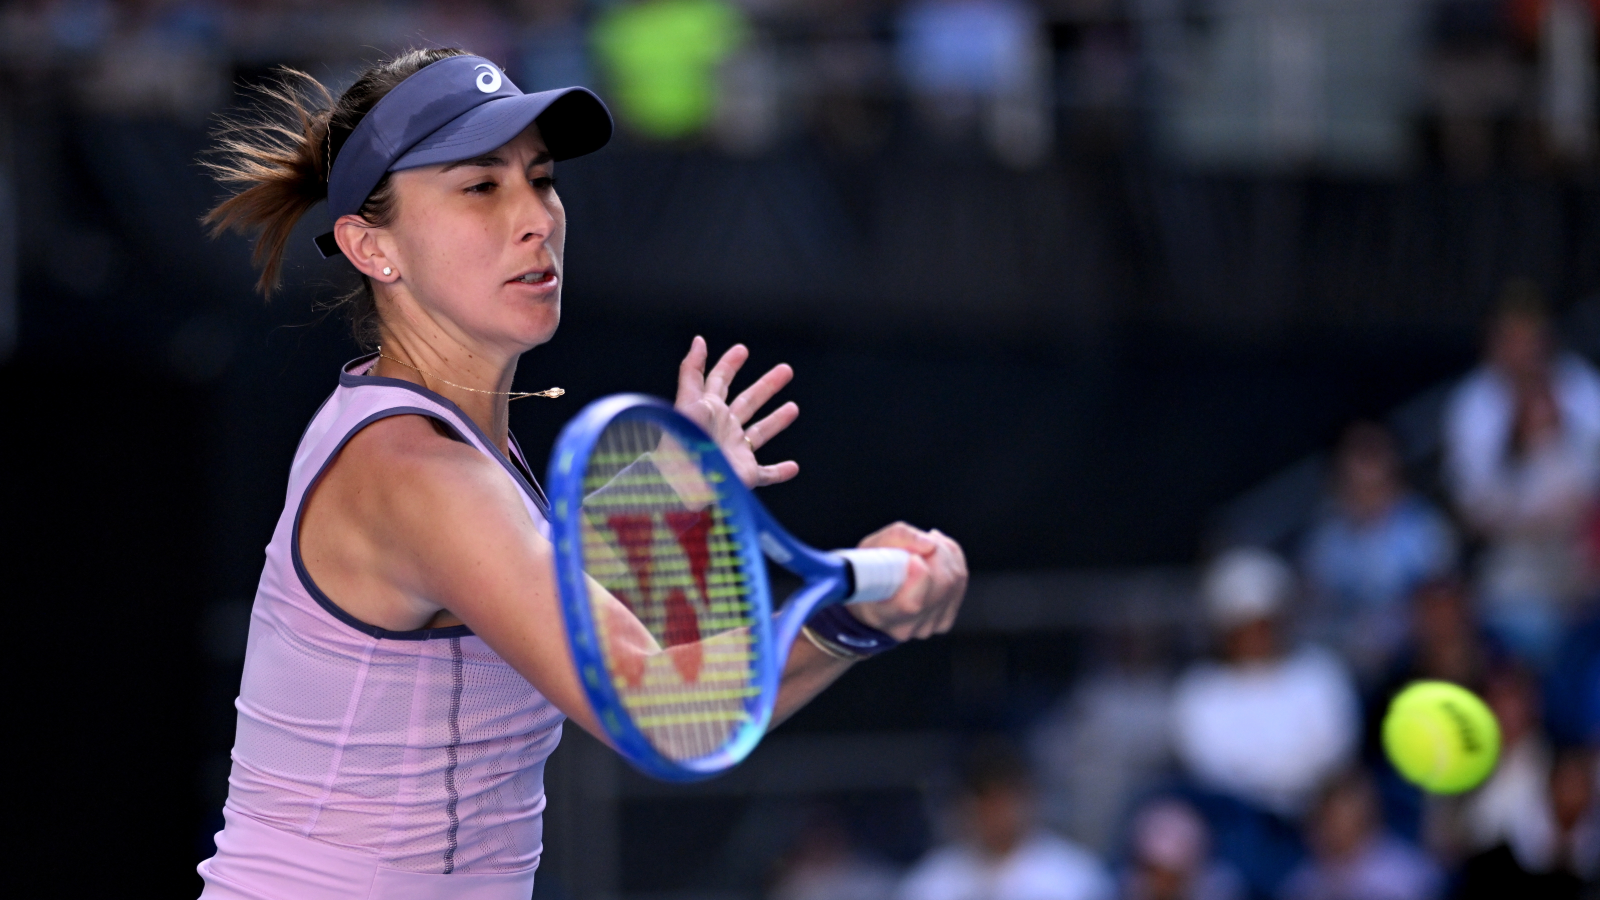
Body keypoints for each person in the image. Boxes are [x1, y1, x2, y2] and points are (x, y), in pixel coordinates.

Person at [195, 48, 968, 900]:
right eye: (481, 187)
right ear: (373, 247)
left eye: (542, 179)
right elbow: (664, 708)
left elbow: (540, 581)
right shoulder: (411, 469)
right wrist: (853, 622)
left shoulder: (458, 455)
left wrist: (668, 489)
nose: (536, 218)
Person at [1442, 283, 1600, 664]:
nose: (1524, 350)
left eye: (1531, 338)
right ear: (1493, 341)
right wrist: (1518, 447)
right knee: (1525, 634)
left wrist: (1563, 434)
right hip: (1512, 560)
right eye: (1512, 339)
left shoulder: (1579, 386)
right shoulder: (1473, 404)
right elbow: (1475, 512)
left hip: (1585, 549)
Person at [1300, 422, 1457, 681]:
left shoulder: (1424, 529)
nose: (1367, 471)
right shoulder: (1324, 544)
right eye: (1359, 456)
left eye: (1374, 455)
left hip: (1415, 656)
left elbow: (1446, 606)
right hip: (1353, 667)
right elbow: (1314, 622)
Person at [897, 742, 1113, 900]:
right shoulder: (931, 880)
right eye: (986, 801)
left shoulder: (1076, 877)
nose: (995, 813)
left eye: (1003, 800)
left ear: (1028, 799)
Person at [1279, 769, 1441, 900]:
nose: (1332, 824)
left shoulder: (1409, 872)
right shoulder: (1302, 883)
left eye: (1340, 813)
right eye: (1326, 814)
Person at [1118, 799, 1244, 900]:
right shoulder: (1128, 886)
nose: (1161, 881)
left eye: (1170, 873)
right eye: (1153, 870)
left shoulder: (1219, 889)